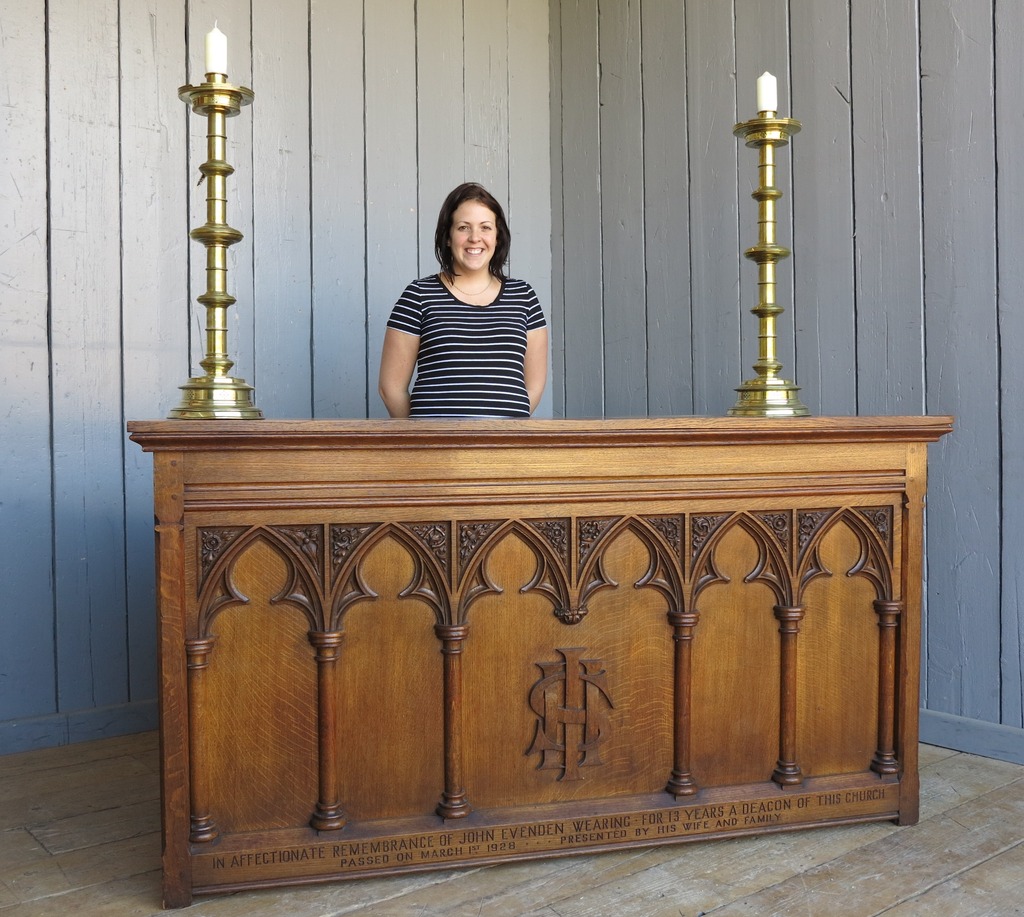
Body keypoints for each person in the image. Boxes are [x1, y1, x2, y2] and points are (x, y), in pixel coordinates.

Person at [378, 182, 549, 418]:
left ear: (498, 236)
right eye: (463, 228)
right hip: (435, 452)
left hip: (508, 450)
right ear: (448, 236)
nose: (475, 238)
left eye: (485, 227)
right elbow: (391, 388)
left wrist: (498, 431)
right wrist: (423, 438)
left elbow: (534, 387)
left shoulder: (524, 297)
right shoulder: (418, 296)